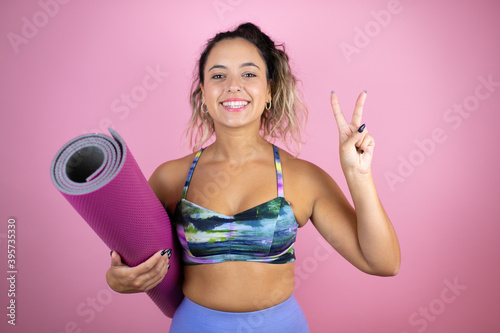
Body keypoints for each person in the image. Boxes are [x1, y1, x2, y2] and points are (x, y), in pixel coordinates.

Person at [106, 22, 400, 332]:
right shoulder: (170, 178)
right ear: (203, 93)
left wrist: (358, 174)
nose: (233, 85)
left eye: (249, 74)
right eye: (218, 75)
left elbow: (383, 263)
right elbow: (125, 261)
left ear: (270, 90)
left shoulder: (304, 178)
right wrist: (116, 280)